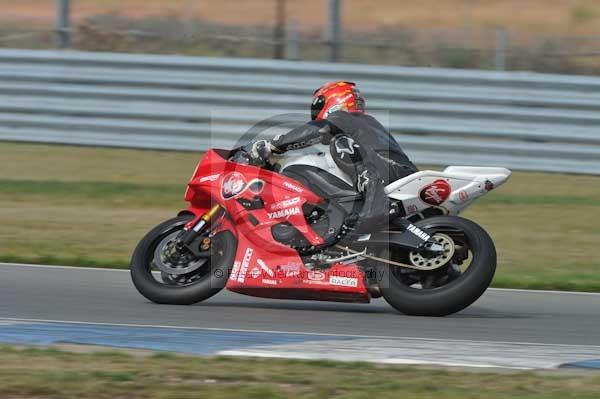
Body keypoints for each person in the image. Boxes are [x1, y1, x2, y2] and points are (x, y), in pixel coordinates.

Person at [249, 81, 418, 232]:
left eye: (318, 105)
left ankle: (376, 205)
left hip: (395, 174)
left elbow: (320, 129)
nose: (315, 113)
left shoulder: (347, 117)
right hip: (396, 172)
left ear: (333, 101)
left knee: (341, 143)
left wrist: (273, 146)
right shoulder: (364, 124)